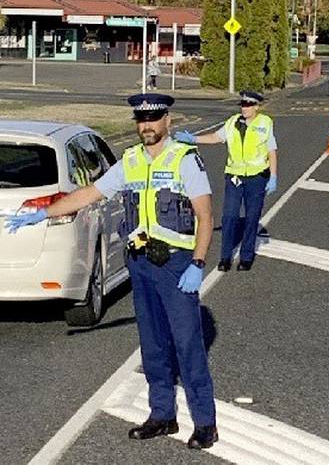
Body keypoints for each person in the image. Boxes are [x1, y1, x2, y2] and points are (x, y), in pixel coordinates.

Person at [5, 93, 218, 450]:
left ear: (168, 121)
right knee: (152, 345)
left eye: (153, 119)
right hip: (141, 263)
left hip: (176, 265)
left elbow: (206, 216)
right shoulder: (131, 160)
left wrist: (198, 263)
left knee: (187, 346)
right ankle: (162, 414)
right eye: (141, 120)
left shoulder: (185, 160)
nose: (146, 126)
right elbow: (91, 193)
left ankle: (206, 423)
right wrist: (45, 213)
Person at [176, 90, 277, 272]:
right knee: (229, 217)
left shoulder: (265, 123)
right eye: (242, 105)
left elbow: (271, 150)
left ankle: (246, 257)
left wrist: (274, 175)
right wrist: (193, 139)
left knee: (252, 217)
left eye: (248, 105)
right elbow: (216, 137)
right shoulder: (232, 122)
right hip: (235, 176)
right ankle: (225, 258)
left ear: (256, 106)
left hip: (257, 177)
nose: (244, 108)